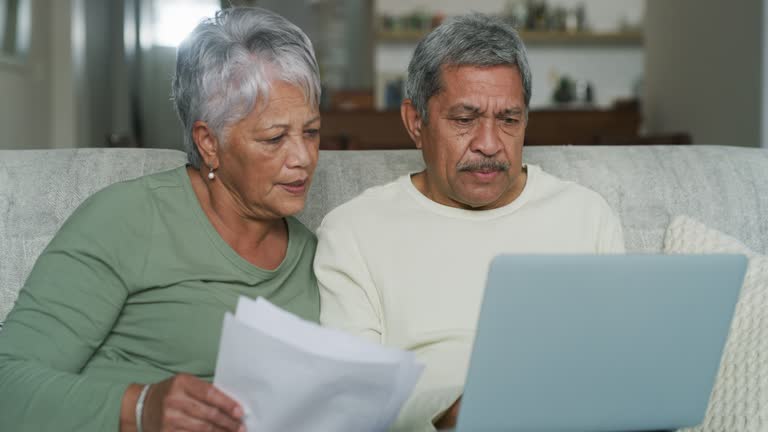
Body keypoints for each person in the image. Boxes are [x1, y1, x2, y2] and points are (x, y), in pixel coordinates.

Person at [0, 7, 322, 432]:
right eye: (275, 138)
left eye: (312, 132)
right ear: (209, 143)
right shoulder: (127, 220)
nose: (303, 158)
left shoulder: (317, 254)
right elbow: (8, 383)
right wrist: (139, 408)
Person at [314, 13, 625, 432]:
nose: (490, 144)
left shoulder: (587, 216)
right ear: (415, 122)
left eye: (509, 120)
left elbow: (618, 370)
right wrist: (446, 415)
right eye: (464, 120)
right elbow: (354, 402)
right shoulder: (352, 232)